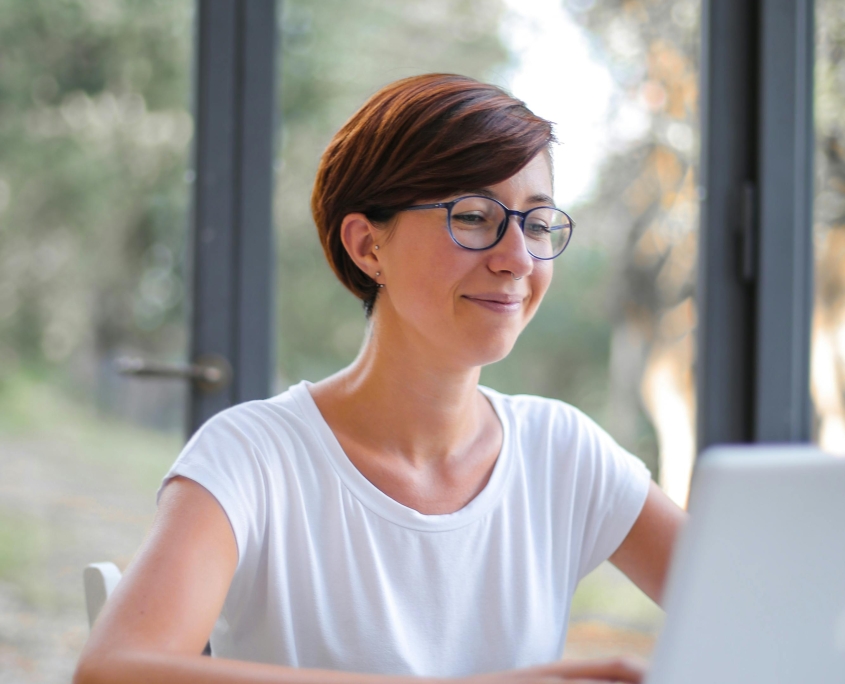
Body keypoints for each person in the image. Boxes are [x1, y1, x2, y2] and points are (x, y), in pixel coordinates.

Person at [74, 73, 686, 684]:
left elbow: (758, 607)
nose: (518, 259)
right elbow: (113, 672)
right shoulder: (254, 455)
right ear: (368, 247)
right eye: (473, 216)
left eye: (536, 223)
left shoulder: (563, 451)